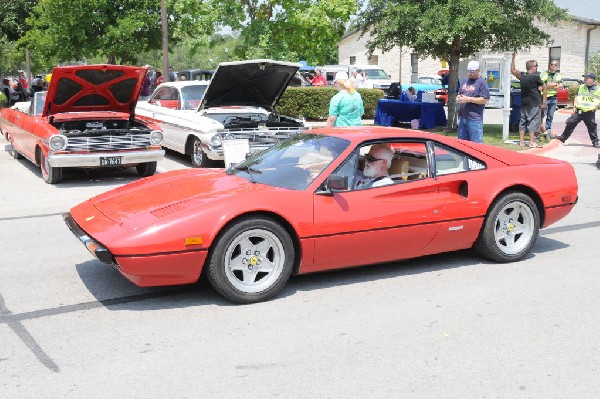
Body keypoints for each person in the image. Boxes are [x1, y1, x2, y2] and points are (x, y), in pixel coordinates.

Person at [554, 73, 600, 148]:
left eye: (587, 78)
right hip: (579, 111)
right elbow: (576, 96)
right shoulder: (581, 87)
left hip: (590, 112)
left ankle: (595, 142)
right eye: (585, 78)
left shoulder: (598, 89)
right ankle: (563, 137)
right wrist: (574, 106)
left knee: (592, 127)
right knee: (570, 123)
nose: (585, 79)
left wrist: (597, 106)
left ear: (592, 80)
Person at [511, 53, 547, 147]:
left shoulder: (522, 76)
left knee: (522, 122)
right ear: (532, 67)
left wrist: (513, 59)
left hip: (524, 103)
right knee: (533, 122)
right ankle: (531, 142)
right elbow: (544, 87)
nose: (537, 68)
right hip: (534, 103)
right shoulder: (536, 77)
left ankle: (521, 142)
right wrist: (543, 102)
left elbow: (513, 70)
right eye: (536, 66)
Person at [456, 60, 490, 143]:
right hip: (463, 117)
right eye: (469, 71)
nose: (470, 73)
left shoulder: (482, 82)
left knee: (476, 146)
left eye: (472, 72)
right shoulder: (465, 81)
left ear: (478, 70)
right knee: (462, 145)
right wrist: (458, 98)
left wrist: (468, 99)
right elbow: (460, 94)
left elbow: (484, 100)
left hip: (474, 119)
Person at [540, 60, 563, 140]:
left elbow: (561, 85)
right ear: (549, 65)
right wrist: (556, 84)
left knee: (550, 116)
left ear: (557, 66)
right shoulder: (545, 73)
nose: (553, 66)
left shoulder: (558, 75)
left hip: (553, 97)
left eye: (555, 65)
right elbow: (543, 84)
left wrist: (551, 85)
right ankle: (540, 131)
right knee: (541, 115)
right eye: (552, 64)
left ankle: (548, 132)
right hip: (544, 98)